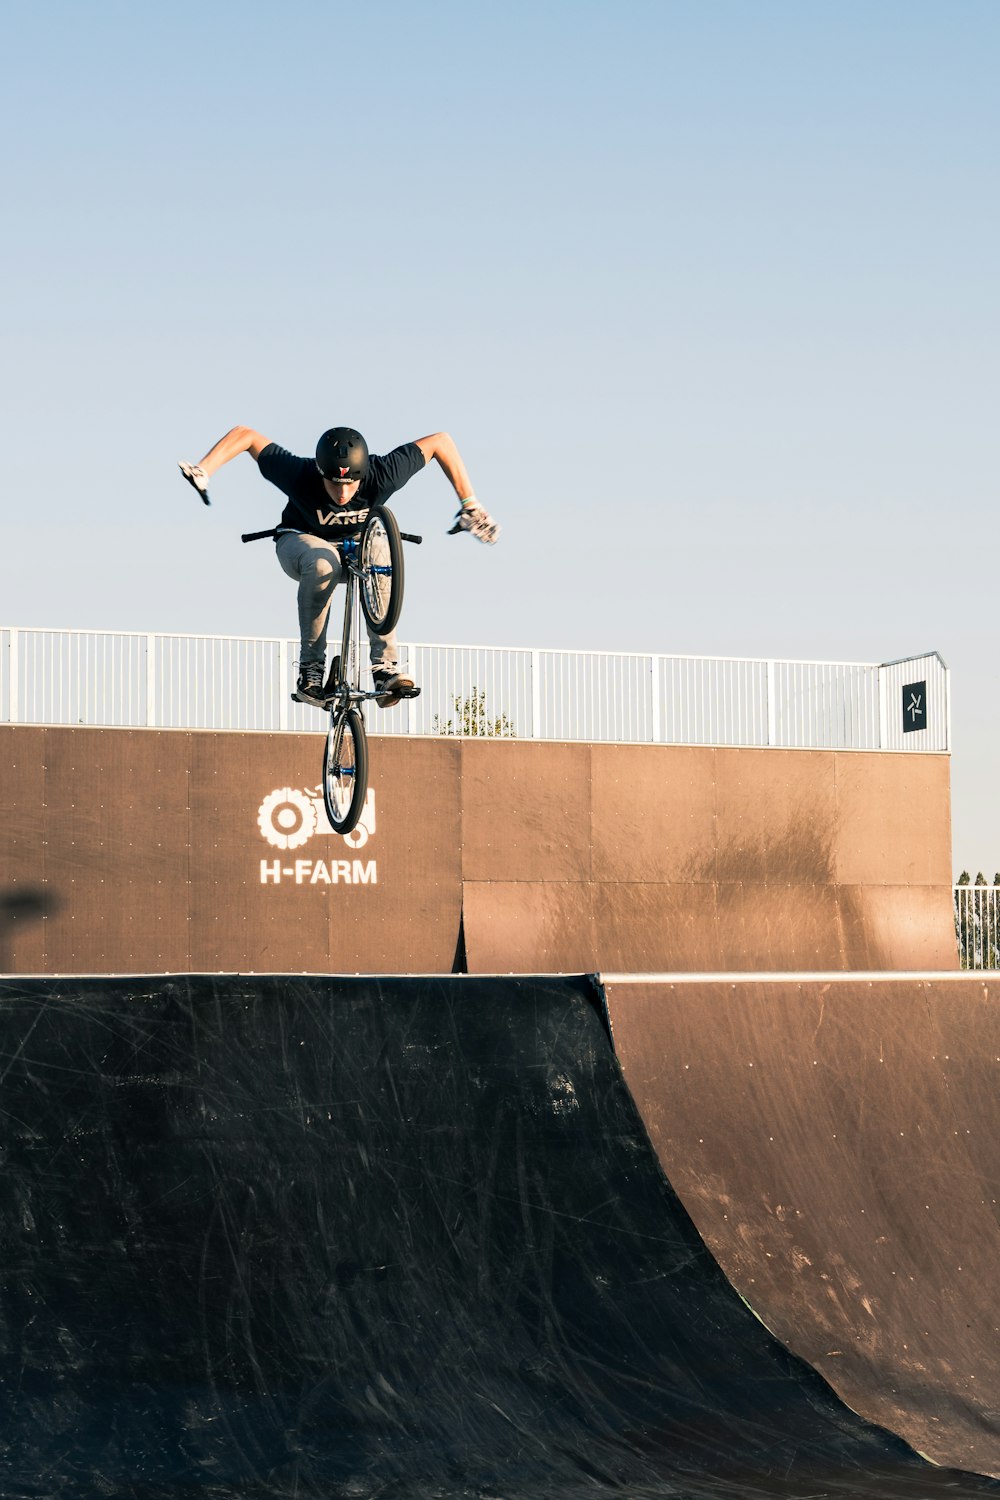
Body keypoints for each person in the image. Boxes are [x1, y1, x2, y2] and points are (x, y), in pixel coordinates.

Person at [179, 426, 498, 708]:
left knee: (382, 548)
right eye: (334, 485)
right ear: (320, 472)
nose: (343, 493)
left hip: (360, 552)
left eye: (351, 485)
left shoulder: (382, 472)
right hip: (301, 544)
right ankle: (311, 671)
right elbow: (246, 436)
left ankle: (384, 667)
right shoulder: (298, 473)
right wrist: (205, 469)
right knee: (323, 562)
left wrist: (469, 503)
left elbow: (440, 442)